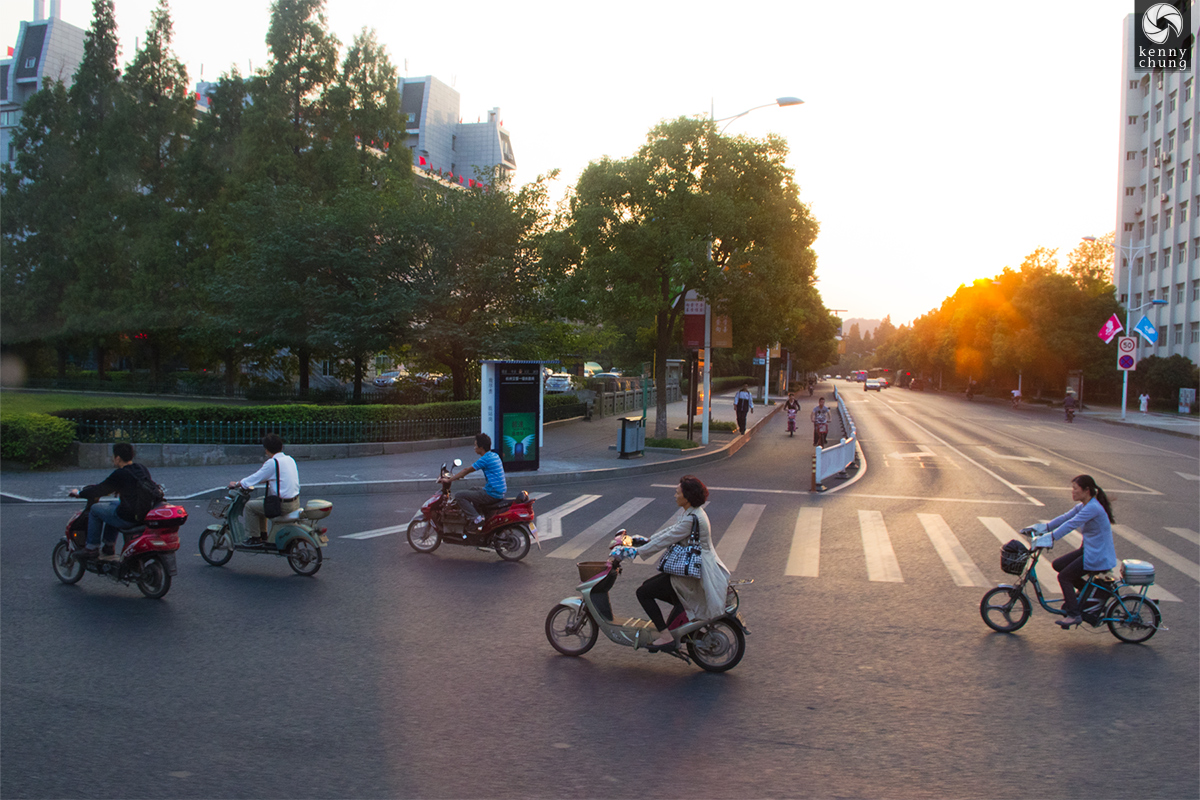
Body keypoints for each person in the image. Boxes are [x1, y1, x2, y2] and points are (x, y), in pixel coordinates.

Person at [627, 475, 731, 653]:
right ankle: (676, 627)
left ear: (687, 496)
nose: (675, 496)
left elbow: (669, 538)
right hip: (694, 569)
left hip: (693, 573)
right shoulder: (693, 512)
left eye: (677, 493)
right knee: (653, 588)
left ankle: (666, 636)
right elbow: (670, 531)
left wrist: (637, 552)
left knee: (643, 592)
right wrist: (646, 540)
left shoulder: (692, 518)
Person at [1029, 475, 1117, 629]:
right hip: (1090, 550)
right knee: (1058, 565)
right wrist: (1043, 528)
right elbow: (1065, 518)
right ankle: (1086, 592)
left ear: (1086, 490)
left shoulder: (1093, 508)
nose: (1072, 492)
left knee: (1064, 577)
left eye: (1075, 489)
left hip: (1097, 555)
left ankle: (1074, 614)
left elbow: (1071, 524)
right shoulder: (1085, 505)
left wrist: (1049, 538)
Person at [68, 443, 154, 561]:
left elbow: (99, 490)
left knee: (95, 509)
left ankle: (91, 548)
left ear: (117, 458)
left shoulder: (119, 473)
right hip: (141, 512)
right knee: (113, 505)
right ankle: (108, 546)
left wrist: (78, 493)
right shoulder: (141, 468)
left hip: (128, 517)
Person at [228, 433, 300, 546]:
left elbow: (255, 478)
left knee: (250, 506)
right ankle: (263, 534)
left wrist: (237, 484)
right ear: (281, 447)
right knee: (262, 500)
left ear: (266, 450)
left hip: (282, 505)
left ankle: (254, 537)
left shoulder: (272, 463)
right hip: (294, 502)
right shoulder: (289, 459)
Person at [441, 432, 506, 529]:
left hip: (492, 493)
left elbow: (466, 470)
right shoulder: (494, 455)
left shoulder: (485, 459)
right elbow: (466, 472)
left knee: (460, 495)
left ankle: (476, 519)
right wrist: (458, 476)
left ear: (481, 447)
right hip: (498, 491)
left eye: (475, 445)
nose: (474, 447)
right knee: (473, 489)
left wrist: (450, 479)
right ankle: (481, 516)